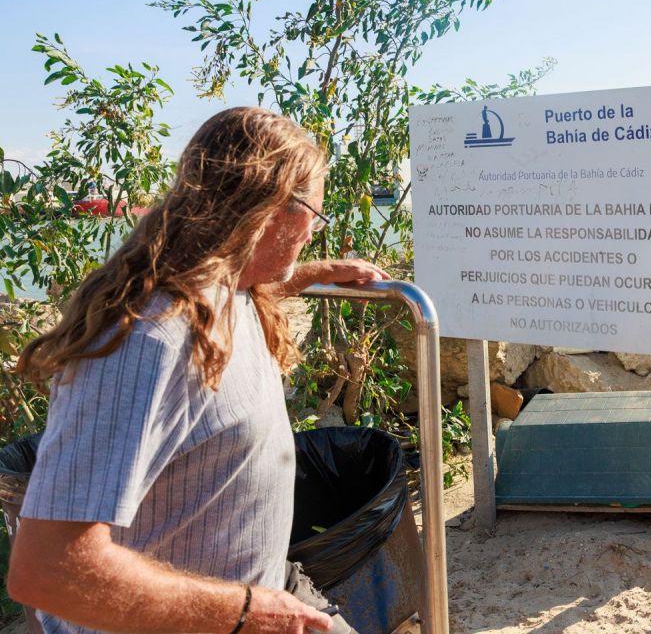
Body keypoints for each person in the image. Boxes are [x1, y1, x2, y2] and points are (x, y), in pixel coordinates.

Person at [9, 107, 389, 634]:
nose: (311, 234)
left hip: (263, 589)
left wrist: (306, 275)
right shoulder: (147, 340)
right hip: (217, 617)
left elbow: (240, 290)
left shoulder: (225, 290)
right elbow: (48, 572)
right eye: (313, 216)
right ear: (270, 208)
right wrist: (242, 612)